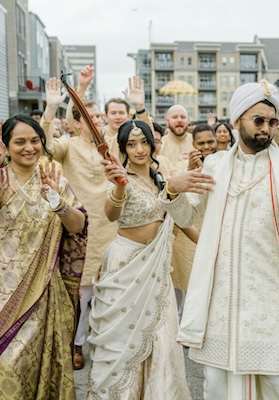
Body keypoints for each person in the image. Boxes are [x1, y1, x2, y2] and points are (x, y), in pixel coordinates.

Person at [161, 80, 279, 399]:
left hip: (271, 302)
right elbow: (188, 217)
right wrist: (173, 190)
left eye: (272, 122)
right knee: (218, 385)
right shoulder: (215, 165)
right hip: (222, 300)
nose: (266, 128)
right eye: (258, 120)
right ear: (236, 121)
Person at [0, 116, 87, 399]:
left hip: (43, 289)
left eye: (34, 141)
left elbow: (78, 226)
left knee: (39, 365)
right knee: (6, 364)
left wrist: (58, 203)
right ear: (6, 146)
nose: (28, 147)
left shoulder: (55, 180)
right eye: (19, 141)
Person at [87, 120, 191, 399]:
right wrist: (120, 187)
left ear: (153, 143)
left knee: (161, 334)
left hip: (157, 267)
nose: (139, 149)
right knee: (124, 340)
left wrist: (211, 245)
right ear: (123, 149)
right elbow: (111, 214)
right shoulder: (122, 178)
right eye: (131, 144)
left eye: (144, 142)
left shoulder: (160, 178)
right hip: (126, 265)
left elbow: (180, 219)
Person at [40, 76, 119, 370]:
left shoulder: (110, 143)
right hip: (80, 227)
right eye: (90, 117)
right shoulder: (67, 144)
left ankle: (107, 341)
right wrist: (51, 109)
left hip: (111, 226)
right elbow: (45, 147)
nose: (96, 121)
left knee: (108, 289)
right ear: (76, 123)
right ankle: (76, 343)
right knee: (80, 293)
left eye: (99, 116)